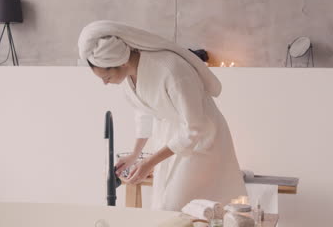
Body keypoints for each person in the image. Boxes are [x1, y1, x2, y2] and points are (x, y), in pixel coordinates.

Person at [78, 20, 246, 211]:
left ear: (120, 62)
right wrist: (135, 155)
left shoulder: (172, 71)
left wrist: (149, 162)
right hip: (171, 139)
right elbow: (144, 111)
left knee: (177, 207)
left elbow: (195, 128)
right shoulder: (129, 76)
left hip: (203, 141)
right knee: (164, 207)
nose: (105, 84)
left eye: (106, 78)